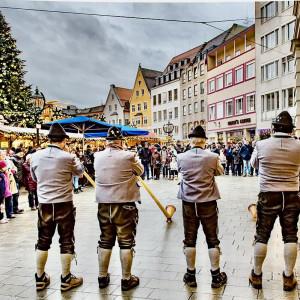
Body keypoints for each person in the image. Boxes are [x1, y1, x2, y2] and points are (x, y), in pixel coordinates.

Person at [249, 111, 300, 291]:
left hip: (268, 194)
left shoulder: (261, 145)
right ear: (290, 129)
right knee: (290, 236)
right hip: (292, 194)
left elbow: (253, 165)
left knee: (262, 235)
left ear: (274, 128)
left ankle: (256, 275)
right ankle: (287, 277)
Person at [30, 123, 84, 292]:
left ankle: (40, 277)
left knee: (43, 241)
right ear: (63, 141)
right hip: (64, 204)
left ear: (49, 139)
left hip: (44, 204)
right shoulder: (68, 157)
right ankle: (66, 278)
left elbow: (34, 177)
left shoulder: (35, 156)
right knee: (66, 241)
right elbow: (80, 173)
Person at [94, 126, 143, 291]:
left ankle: (102, 276)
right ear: (121, 141)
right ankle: (126, 279)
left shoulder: (97, 156)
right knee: (126, 242)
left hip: (103, 204)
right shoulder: (129, 156)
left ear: (107, 141)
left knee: (105, 240)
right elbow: (140, 171)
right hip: (124, 205)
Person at [177, 125, 227, 288]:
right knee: (212, 239)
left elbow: (180, 171)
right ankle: (215, 275)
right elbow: (220, 172)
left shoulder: (181, 157)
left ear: (190, 141)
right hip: (208, 201)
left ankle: (190, 275)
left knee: (190, 239)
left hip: (189, 203)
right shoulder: (212, 157)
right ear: (204, 141)